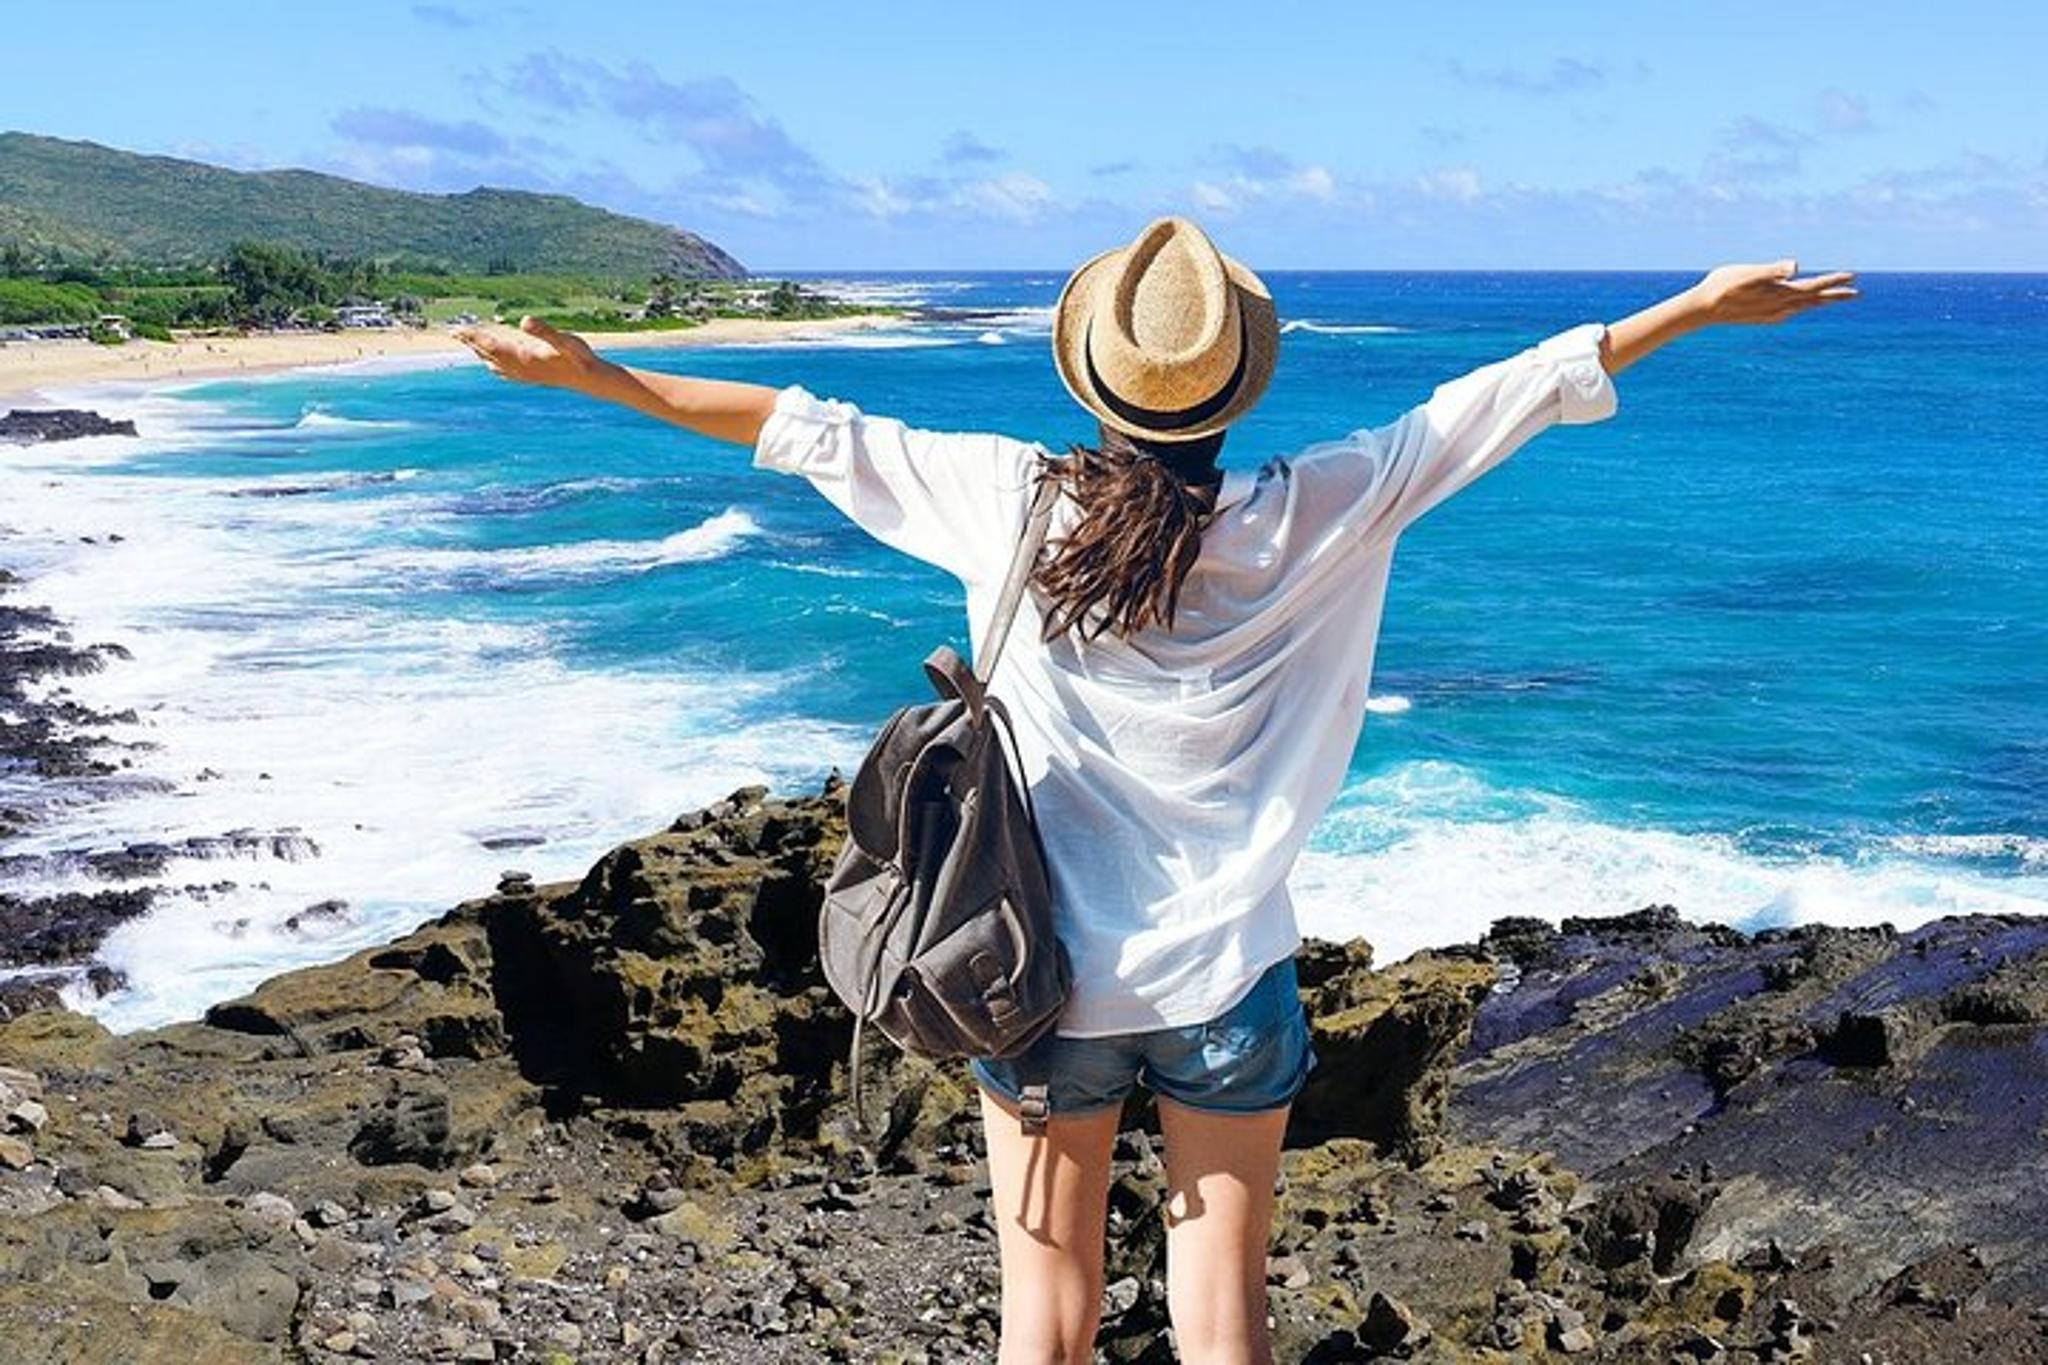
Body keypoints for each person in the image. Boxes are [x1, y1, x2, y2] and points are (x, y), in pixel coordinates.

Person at [457, 220, 1855, 1365]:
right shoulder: (1323, 506)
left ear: (1093, 384)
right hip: (1228, 982)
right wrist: (1698, 306)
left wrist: (592, 376)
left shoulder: (1009, 499)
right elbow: (1504, 400)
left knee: (1045, 1322)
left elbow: (797, 429)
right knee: (1222, 1320)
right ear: (1231, 387)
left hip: (1030, 984)